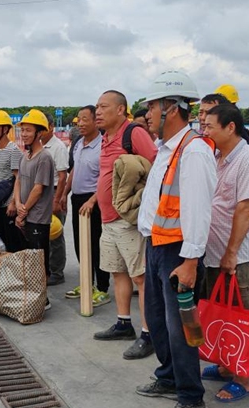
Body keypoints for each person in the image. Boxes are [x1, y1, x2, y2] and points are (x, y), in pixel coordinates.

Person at [136, 70, 217, 408]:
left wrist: (190, 261)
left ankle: (190, 396)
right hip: (157, 246)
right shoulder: (166, 149)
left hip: (178, 252)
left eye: (152, 106)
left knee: (182, 325)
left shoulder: (194, 151)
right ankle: (169, 376)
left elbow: (199, 210)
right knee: (158, 320)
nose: (148, 114)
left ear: (171, 108)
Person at [201, 104, 249, 402]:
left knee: (244, 313)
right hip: (215, 251)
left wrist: (232, 252)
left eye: (210, 126)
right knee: (223, 312)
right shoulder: (217, 157)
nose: (205, 131)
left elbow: (246, 207)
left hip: (238, 255)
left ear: (230, 127)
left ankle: (245, 378)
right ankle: (228, 366)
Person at [93, 90, 158, 361]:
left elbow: (156, 168)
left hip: (128, 221)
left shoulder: (134, 133)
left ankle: (148, 334)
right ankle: (123, 323)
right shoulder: (105, 138)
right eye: (96, 106)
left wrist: (138, 202)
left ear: (121, 110)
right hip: (108, 220)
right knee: (118, 272)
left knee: (140, 278)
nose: (98, 111)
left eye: (103, 106)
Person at [63, 105, 110, 307]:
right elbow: (73, 171)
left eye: (85, 119)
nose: (80, 123)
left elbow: (106, 178)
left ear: (95, 121)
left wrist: (93, 201)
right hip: (78, 199)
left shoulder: (104, 145)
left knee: (96, 245)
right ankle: (86, 283)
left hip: (95, 201)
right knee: (80, 243)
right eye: (78, 120)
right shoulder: (78, 143)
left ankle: (102, 288)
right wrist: (63, 194)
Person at [13, 109, 56, 309]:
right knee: (29, 258)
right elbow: (19, 181)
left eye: (29, 130)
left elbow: (39, 189)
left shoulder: (44, 158)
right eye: (23, 131)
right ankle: (34, 295)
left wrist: (24, 210)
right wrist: (17, 204)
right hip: (26, 215)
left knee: (39, 260)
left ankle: (42, 300)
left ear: (40, 133)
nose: (25, 134)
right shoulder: (25, 157)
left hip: (38, 217)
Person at [0, 110, 25, 252]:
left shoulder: (13, 150)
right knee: (2, 242)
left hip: (8, 207)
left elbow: (18, 178)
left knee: (13, 244)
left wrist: (14, 202)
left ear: (5, 129)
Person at [42, 112, 69, 286]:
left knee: (55, 233)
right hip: (42, 192)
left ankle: (57, 272)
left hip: (54, 191)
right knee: (45, 234)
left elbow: (62, 176)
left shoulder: (58, 147)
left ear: (51, 127)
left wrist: (57, 199)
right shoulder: (38, 146)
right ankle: (48, 269)